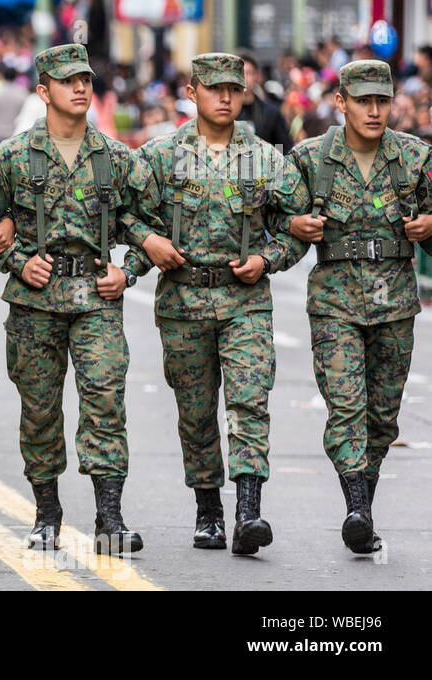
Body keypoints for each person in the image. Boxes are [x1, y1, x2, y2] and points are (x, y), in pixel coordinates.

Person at [0, 43, 155, 554]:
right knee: (39, 410)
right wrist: (15, 260)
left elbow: (152, 222)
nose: (80, 88)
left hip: (96, 297)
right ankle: (46, 514)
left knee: (105, 402)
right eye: (68, 81)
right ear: (43, 91)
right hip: (35, 302)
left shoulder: (118, 158)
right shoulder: (11, 156)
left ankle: (110, 519)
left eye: (86, 80)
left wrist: (130, 271)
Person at [135, 53, 309, 555]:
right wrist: (144, 250)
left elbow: (297, 224)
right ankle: (208, 509)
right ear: (192, 93)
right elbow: (130, 215)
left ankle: (249, 511)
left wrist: (268, 258)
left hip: (245, 302)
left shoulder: (267, 159)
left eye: (234, 88)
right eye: (214, 89)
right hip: (183, 301)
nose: (226, 98)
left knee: (249, 401)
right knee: (195, 413)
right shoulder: (160, 158)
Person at [284, 60, 432, 554]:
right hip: (335, 304)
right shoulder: (310, 159)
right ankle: (357, 508)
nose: (373, 110)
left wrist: (429, 228)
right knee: (346, 407)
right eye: (363, 100)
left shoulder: (415, 158)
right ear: (341, 102)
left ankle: (361, 506)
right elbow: (279, 219)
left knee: (383, 417)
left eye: (382, 101)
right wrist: (290, 231)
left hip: (395, 304)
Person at [236, 51, 293, 151]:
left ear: (257, 76)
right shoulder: (226, 112)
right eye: (240, 73)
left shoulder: (271, 113)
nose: (244, 78)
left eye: (248, 73)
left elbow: (283, 148)